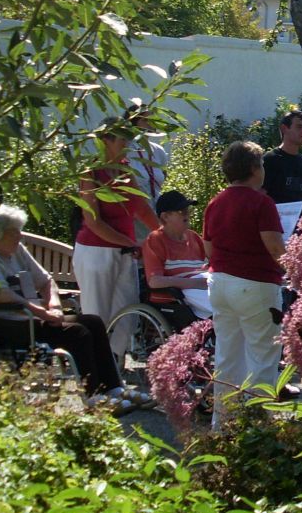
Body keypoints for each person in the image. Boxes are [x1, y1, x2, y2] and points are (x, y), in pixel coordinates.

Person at [0, 204, 150, 410]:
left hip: (33, 316)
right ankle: (93, 395)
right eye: (14, 231)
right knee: (76, 332)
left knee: (93, 321)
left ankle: (114, 388)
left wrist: (54, 304)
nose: (20, 236)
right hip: (8, 321)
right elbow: (0, 294)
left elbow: (45, 281)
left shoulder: (17, 251)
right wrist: (40, 312)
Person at [202, 141, 286, 432]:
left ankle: (222, 424)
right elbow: (275, 246)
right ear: (253, 168)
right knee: (262, 355)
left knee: (228, 354)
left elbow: (209, 249)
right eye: (261, 164)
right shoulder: (261, 203)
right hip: (256, 283)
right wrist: (293, 268)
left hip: (220, 282)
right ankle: (258, 431)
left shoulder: (215, 202)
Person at [73, 117, 159, 357]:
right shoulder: (90, 172)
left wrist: (164, 234)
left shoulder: (124, 168)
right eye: (123, 138)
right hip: (96, 253)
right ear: (105, 140)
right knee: (96, 317)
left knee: (127, 316)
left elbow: (140, 208)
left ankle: (113, 368)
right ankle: (92, 375)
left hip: (124, 251)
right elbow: (93, 221)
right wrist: (130, 243)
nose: (128, 143)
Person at [142, 190, 210, 323]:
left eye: (187, 209)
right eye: (181, 211)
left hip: (205, 285)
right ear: (165, 217)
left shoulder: (194, 238)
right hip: (182, 293)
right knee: (227, 309)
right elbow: (154, 281)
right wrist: (192, 283)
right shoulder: (155, 240)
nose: (187, 214)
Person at [125, 104, 169, 239]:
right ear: (134, 122)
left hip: (157, 215)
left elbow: (161, 180)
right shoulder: (125, 149)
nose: (151, 124)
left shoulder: (159, 151)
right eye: (146, 120)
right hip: (134, 217)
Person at [262, 110, 302, 216]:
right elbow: (260, 197)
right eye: (299, 127)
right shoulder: (269, 160)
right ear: (284, 128)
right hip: (278, 228)